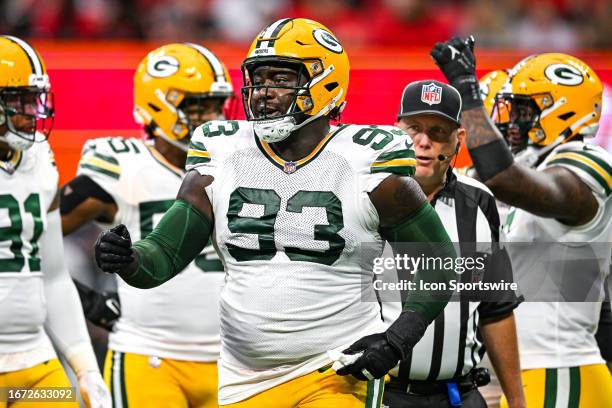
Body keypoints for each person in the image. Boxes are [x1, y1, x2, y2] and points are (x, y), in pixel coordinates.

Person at [94, 18, 459, 407]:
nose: (263, 93)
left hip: (334, 370)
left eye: (281, 79)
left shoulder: (365, 160)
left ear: (326, 83)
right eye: (259, 78)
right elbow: (164, 254)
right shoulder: (222, 151)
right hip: (242, 377)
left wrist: (398, 339)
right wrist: (129, 260)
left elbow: (440, 261)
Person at [431, 36, 612, 407]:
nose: (511, 122)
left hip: (558, 370)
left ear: (562, 111)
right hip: (506, 374)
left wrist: (467, 90)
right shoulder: (526, 166)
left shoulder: (589, 161)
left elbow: (505, 180)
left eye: (523, 111)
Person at [59, 43, 234, 407]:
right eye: (198, 106)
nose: (212, 117)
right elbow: (27, 235)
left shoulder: (240, 164)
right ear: (159, 105)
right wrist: (84, 298)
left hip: (236, 360)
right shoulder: (126, 165)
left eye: (218, 105)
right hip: (149, 354)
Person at [380, 79, 525, 408]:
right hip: (379, 394)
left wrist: (517, 401)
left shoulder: (480, 202)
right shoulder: (367, 196)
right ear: (395, 130)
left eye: (438, 131)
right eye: (413, 128)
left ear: (459, 140)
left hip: (457, 395)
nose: (423, 141)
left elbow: (495, 308)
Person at [0, 35, 110, 408]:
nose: (34, 111)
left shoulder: (39, 158)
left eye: (36, 98)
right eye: (20, 100)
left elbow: (53, 276)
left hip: (35, 360)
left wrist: (85, 367)